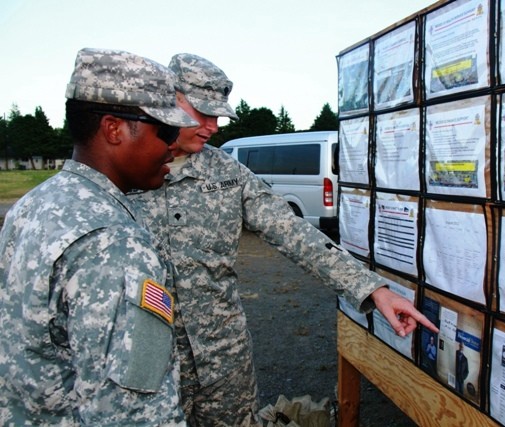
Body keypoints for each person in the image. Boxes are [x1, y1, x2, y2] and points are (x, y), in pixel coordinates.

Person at [128, 53, 439, 427]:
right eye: (202, 112)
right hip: (149, 366)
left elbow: (292, 232)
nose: (213, 126)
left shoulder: (226, 171)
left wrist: (373, 289)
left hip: (224, 363)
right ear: (168, 99)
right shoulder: (122, 173)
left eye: (218, 116)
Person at [0, 47, 198, 425]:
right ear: (113, 128)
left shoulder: (33, 204)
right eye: (166, 130)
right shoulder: (113, 241)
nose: (174, 145)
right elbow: (132, 412)